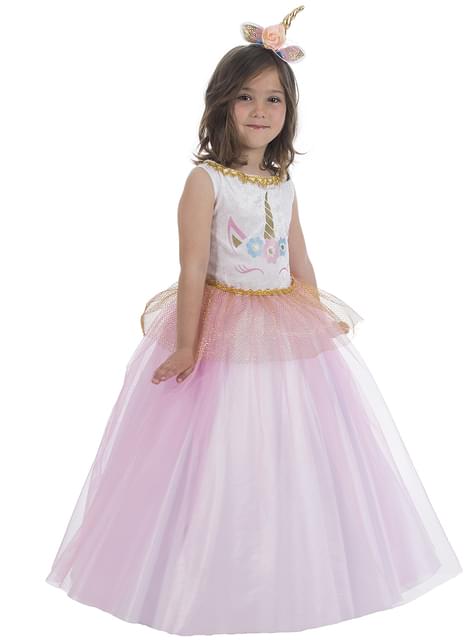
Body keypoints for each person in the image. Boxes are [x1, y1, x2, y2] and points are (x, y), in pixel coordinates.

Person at [45, 5, 463, 635]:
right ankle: (206, 571)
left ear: (289, 110)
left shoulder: (283, 183)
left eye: (274, 99)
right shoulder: (205, 181)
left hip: (279, 321)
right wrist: (187, 346)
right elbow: (192, 268)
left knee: (290, 447)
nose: (260, 111)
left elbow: (299, 259)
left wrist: (315, 315)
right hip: (221, 325)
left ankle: (287, 567)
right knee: (221, 448)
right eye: (246, 97)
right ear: (222, 104)